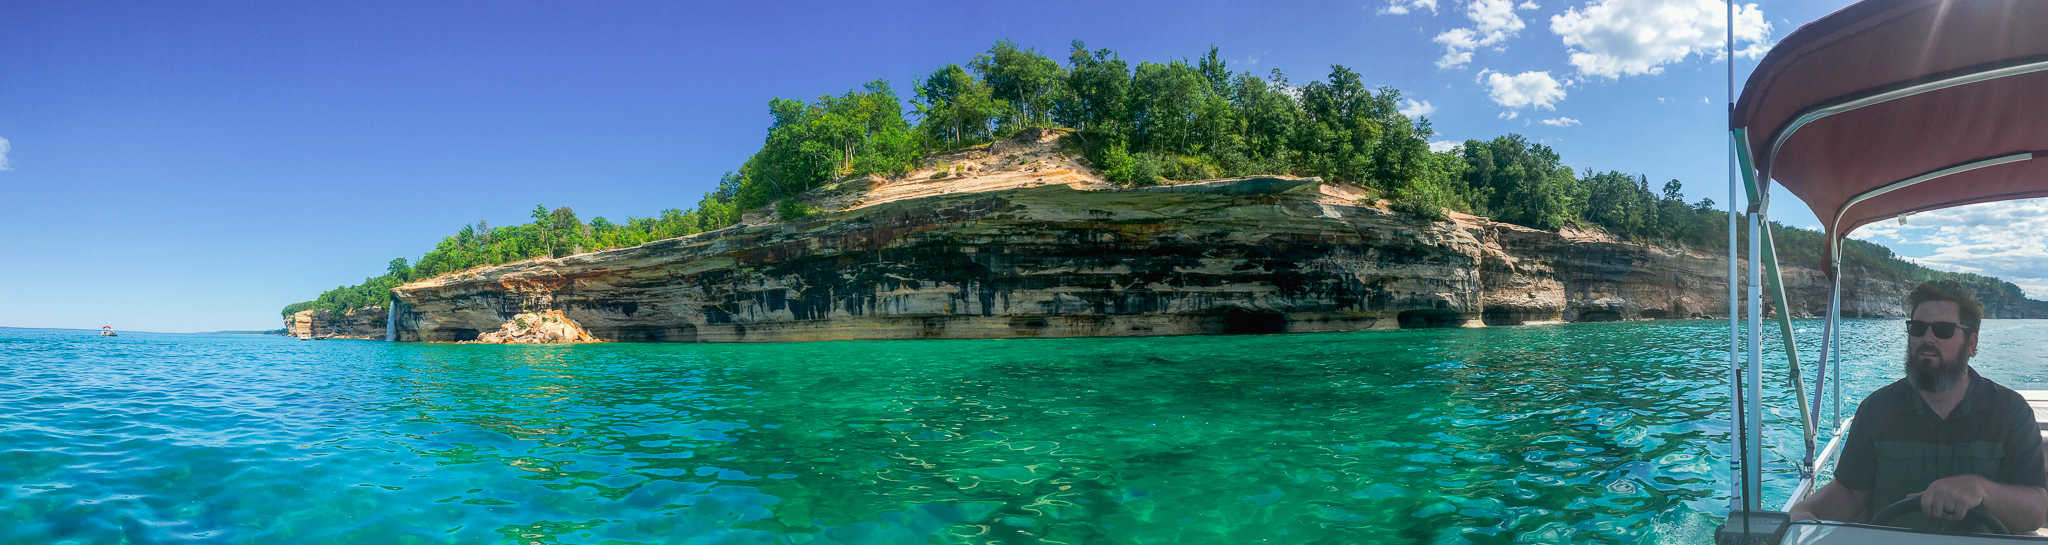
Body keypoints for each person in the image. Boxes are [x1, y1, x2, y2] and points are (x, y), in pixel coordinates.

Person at [1788, 280, 2048, 532]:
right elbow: (1850, 493)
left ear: (1972, 344)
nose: (1928, 338)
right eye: (1918, 328)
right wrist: (1806, 512)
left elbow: (2037, 509)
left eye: (1943, 330)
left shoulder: (2010, 411)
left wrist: (1981, 490)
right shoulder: (1877, 409)